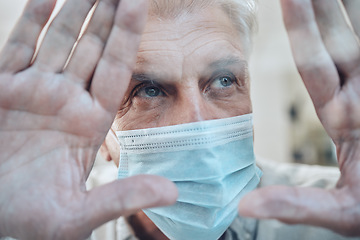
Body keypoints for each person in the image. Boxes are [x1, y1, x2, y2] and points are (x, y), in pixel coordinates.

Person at [0, 0, 359, 239]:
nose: (198, 124)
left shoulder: (338, 218)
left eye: (223, 81)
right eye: (149, 91)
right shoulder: (42, 224)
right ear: (103, 142)